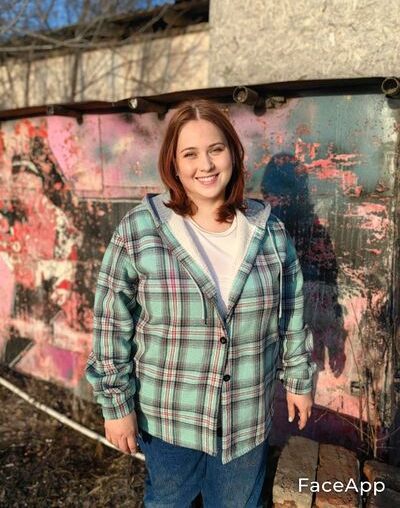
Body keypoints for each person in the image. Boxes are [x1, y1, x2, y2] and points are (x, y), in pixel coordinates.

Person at [85, 99, 316, 508]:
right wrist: (116, 405)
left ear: (233, 154)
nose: (205, 165)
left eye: (216, 149)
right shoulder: (141, 229)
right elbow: (111, 321)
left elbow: (291, 310)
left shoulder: (268, 231)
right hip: (169, 421)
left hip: (245, 419)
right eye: (190, 154)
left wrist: (298, 379)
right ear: (173, 164)